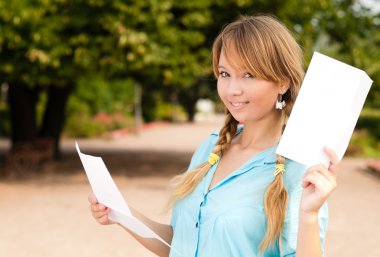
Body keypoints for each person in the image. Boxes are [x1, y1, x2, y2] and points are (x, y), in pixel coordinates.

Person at [88, 14, 340, 257]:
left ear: (282, 82)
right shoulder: (210, 147)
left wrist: (309, 215)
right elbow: (178, 244)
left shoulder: (300, 169)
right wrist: (121, 212)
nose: (232, 89)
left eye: (248, 74)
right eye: (224, 74)